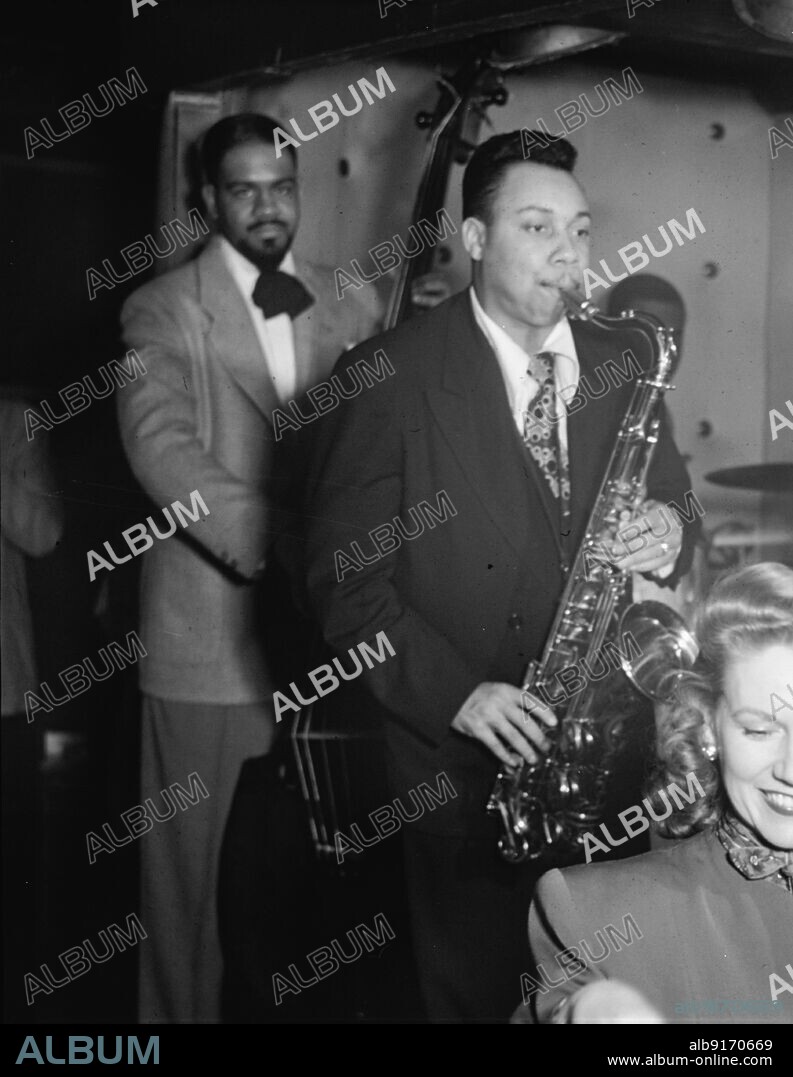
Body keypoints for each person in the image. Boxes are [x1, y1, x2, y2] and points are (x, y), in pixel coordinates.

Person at [302, 130, 700, 1022]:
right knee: (479, 1002)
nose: (568, 253)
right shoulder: (385, 377)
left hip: (611, 764)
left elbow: (677, 498)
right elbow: (342, 586)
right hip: (464, 775)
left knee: (603, 1000)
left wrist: (669, 525)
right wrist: (458, 695)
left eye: (581, 229)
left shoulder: (625, 361)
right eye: (535, 226)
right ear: (475, 240)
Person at [117, 112, 383, 1023]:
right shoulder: (157, 309)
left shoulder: (349, 300)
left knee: (310, 905)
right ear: (206, 201)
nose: (267, 207)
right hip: (208, 652)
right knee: (188, 908)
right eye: (243, 189)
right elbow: (166, 458)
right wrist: (290, 543)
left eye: (282, 186)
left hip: (326, 653)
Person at [517, 561, 793, 1025]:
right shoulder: (596, 913)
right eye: (759, 730)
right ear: (708, 726)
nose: (790, 769)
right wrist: (588, 1009)